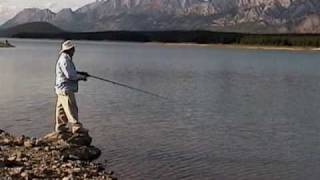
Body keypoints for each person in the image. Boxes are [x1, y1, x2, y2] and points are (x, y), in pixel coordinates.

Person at [55, 40, 89, 134]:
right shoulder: (65, 60)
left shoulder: (64, 58)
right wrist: (82, 77)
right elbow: (70, 76)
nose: (74, 51)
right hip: (66, 89)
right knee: (72, 108)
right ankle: (76, 127)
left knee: (61, 110)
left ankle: (60, 127)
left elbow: (70, 72)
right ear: (70, 50)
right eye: (73, 49)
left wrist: (80, 73)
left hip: (60, 89)